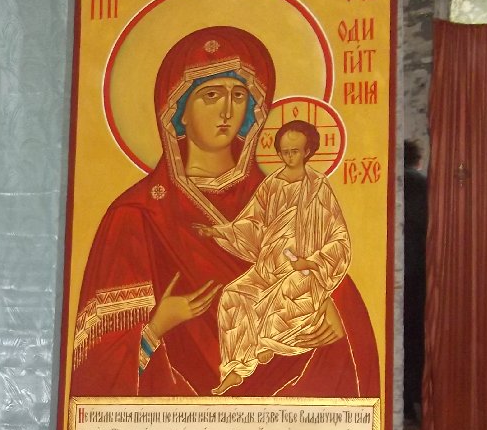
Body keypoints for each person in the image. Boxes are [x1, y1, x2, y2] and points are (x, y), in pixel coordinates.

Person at [70, 25, 379, 401]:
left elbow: (330, 260)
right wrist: (156, 327)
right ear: (178, 111)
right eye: (211, 95)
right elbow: (97, 369)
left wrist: (330, 305)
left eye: (239, 95)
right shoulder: (138, 213)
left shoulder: (290, 192)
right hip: (175, 414)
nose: (228, 111)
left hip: (288, 400)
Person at [199, 119, 351, 394]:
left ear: (307, 151)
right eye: (284, 152)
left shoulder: (318, 187)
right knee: (234, 294)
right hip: (268, 268)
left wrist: (310, 262)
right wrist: (219, 232)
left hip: (303, 270)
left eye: (295, 151)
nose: (288, 157)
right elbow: (252, 224)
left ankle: (265, 345)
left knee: (286, 296)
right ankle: (235, 368)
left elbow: (339, 238)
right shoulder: (271, 185)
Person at [402, 138, 429, 424]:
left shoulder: (389, 185)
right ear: (417, 160)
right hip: (420, 274)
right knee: (417, 340)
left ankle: (404, 407)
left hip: (393, 275)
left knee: (397, 340)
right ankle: (419, 403)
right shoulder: (424, 185)